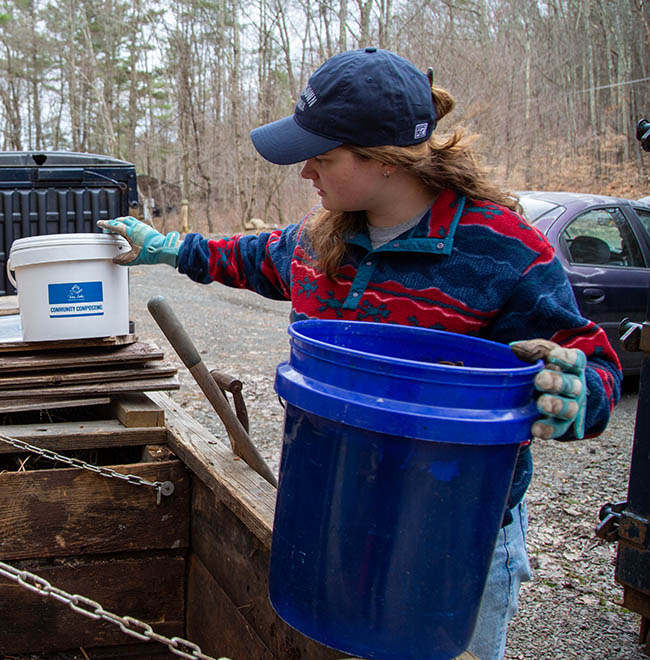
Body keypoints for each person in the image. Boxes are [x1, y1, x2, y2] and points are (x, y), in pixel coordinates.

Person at [99, 47, 622, 660]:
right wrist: (165, 247)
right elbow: (242, 255)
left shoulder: (502, 252)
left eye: (322, 158)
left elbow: (594, 361)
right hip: (331, 518)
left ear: (387, 160)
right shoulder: (322, 237)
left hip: (455, 537)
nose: (305, 173)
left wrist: (577, 392)